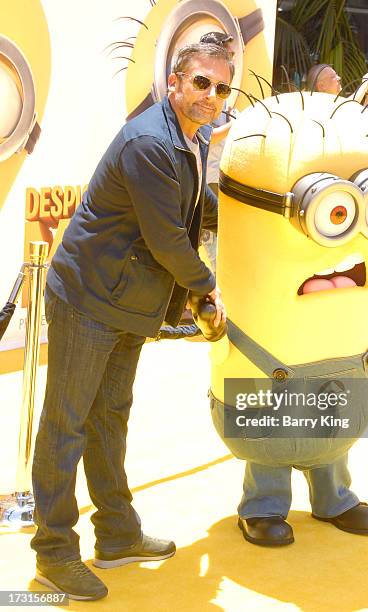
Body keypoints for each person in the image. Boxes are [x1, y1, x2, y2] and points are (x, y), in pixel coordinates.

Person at [30, 42, 233, 600]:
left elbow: (192, 207)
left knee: (110, 417)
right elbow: (166, 237)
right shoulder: (149, 141)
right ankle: (54, 552)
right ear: (174, 82)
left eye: (220, 87)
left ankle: (117, 535)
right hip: (89, 297)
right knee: (66, 424)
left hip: (127, 300)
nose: (210, 96)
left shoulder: (195, 136)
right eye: (200, 83)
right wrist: (206, 285)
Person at [198, 31, 238, 272]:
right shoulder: (201, 95)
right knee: (213, 252)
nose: (232, 58)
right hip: (206, 181)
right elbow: (205, 137)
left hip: (221, 181)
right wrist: (236, 125)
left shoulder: (220, 94)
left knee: (217, 250)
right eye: (229, 53)